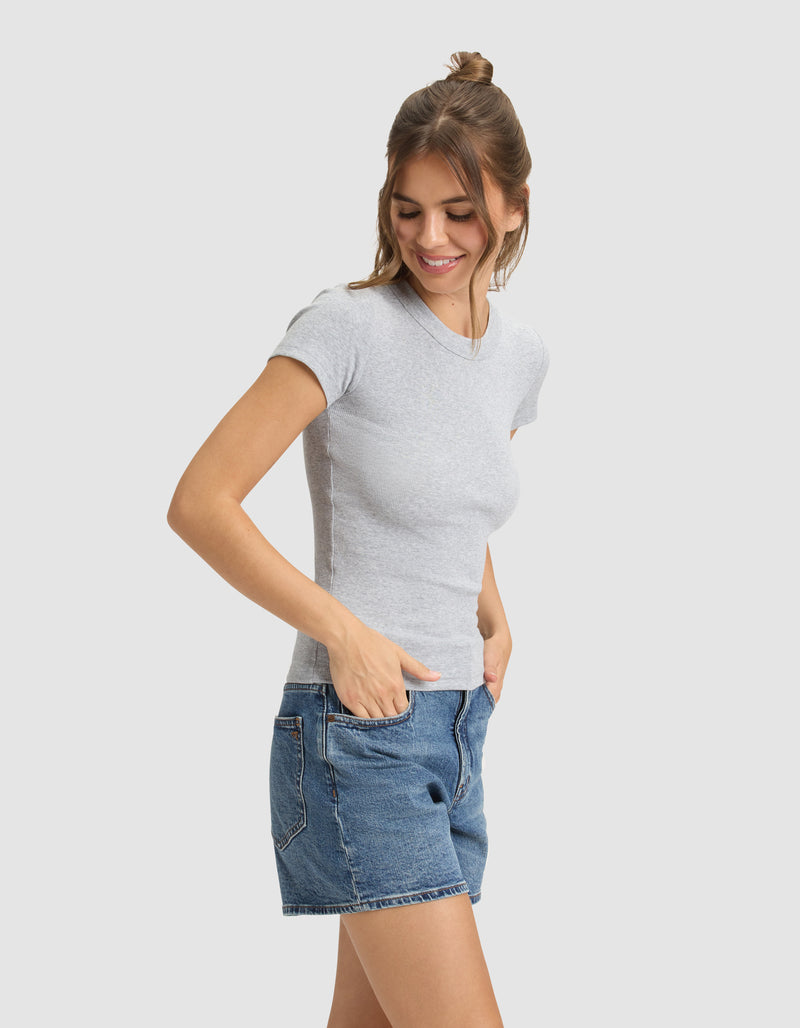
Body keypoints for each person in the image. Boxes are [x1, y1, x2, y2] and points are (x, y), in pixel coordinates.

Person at [168, 50, 549, 1028]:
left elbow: (453, 506)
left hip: (458, 726)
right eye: (407, 209)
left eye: (459, 212)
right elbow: (202, 501)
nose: (430, 237)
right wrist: (342, 631)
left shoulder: (517, 356)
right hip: (359, 732)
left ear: (513, 207)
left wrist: (494, 616)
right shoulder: (346, 327)